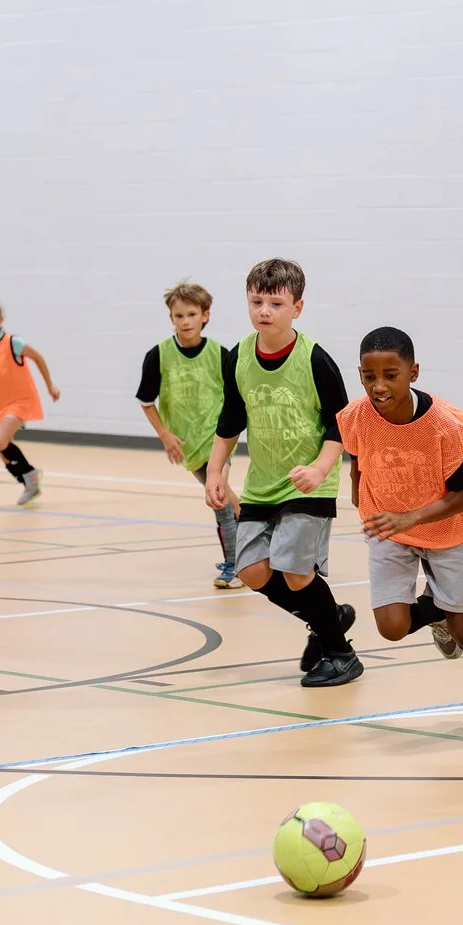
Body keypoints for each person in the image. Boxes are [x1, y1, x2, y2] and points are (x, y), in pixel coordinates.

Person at [339, 326, 463, 732]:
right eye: (368, 376)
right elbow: (357, 458)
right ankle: (435, 610)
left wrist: (410, 517)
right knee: (391, 627)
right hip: (388, 527)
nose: (378, 386)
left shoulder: (446, 427)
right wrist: (356, 493)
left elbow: (460, 498)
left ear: (413, 372)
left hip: (444, 529)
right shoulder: (355, 416)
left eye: (390, 375)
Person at [204, 258, 362, 687]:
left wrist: (320, 467)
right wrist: (217, 471)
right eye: (257, 301)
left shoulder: (314, 359)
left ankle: (340, 653)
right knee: (252, 570)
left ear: (298, 307)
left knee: (295, 571)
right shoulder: (238, 356)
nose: (265, 311)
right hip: (262, 483)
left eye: (276, 303)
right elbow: (230, 418)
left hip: (310, 481)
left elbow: (341, 422)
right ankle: (329, 618)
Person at [136, 281, 242, 589]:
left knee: (219, 498)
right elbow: (146, 401)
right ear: (171, 318)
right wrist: (165, 435)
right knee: (230, 501)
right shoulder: (158, 355)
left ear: (205, 316)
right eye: (179, 315)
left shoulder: (219, 354)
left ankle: (235, 567)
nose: (185, 321)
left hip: (218, 438)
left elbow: (234, 399)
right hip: (187, 444)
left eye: (192, 314)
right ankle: (260, 529)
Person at [0, 294, 59, 507]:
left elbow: (37, 358)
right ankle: (29, 481)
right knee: (2, 452)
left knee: (0, 440)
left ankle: (30, 475)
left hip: (20, 400)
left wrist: (50, 386)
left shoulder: (12, 343)